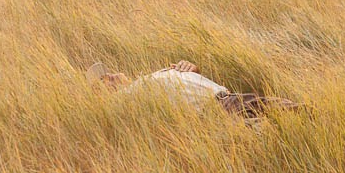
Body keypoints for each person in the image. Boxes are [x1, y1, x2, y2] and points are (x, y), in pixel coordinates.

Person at [86, 60, 302, 118]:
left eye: (107, 72)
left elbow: (185, 86)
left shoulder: (146, 80)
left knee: (293, 111)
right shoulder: (126, 99)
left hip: (226, 98)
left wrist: (192, 70)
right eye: (103, 81)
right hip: (218, 108)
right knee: (291, 113)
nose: (110, 76)